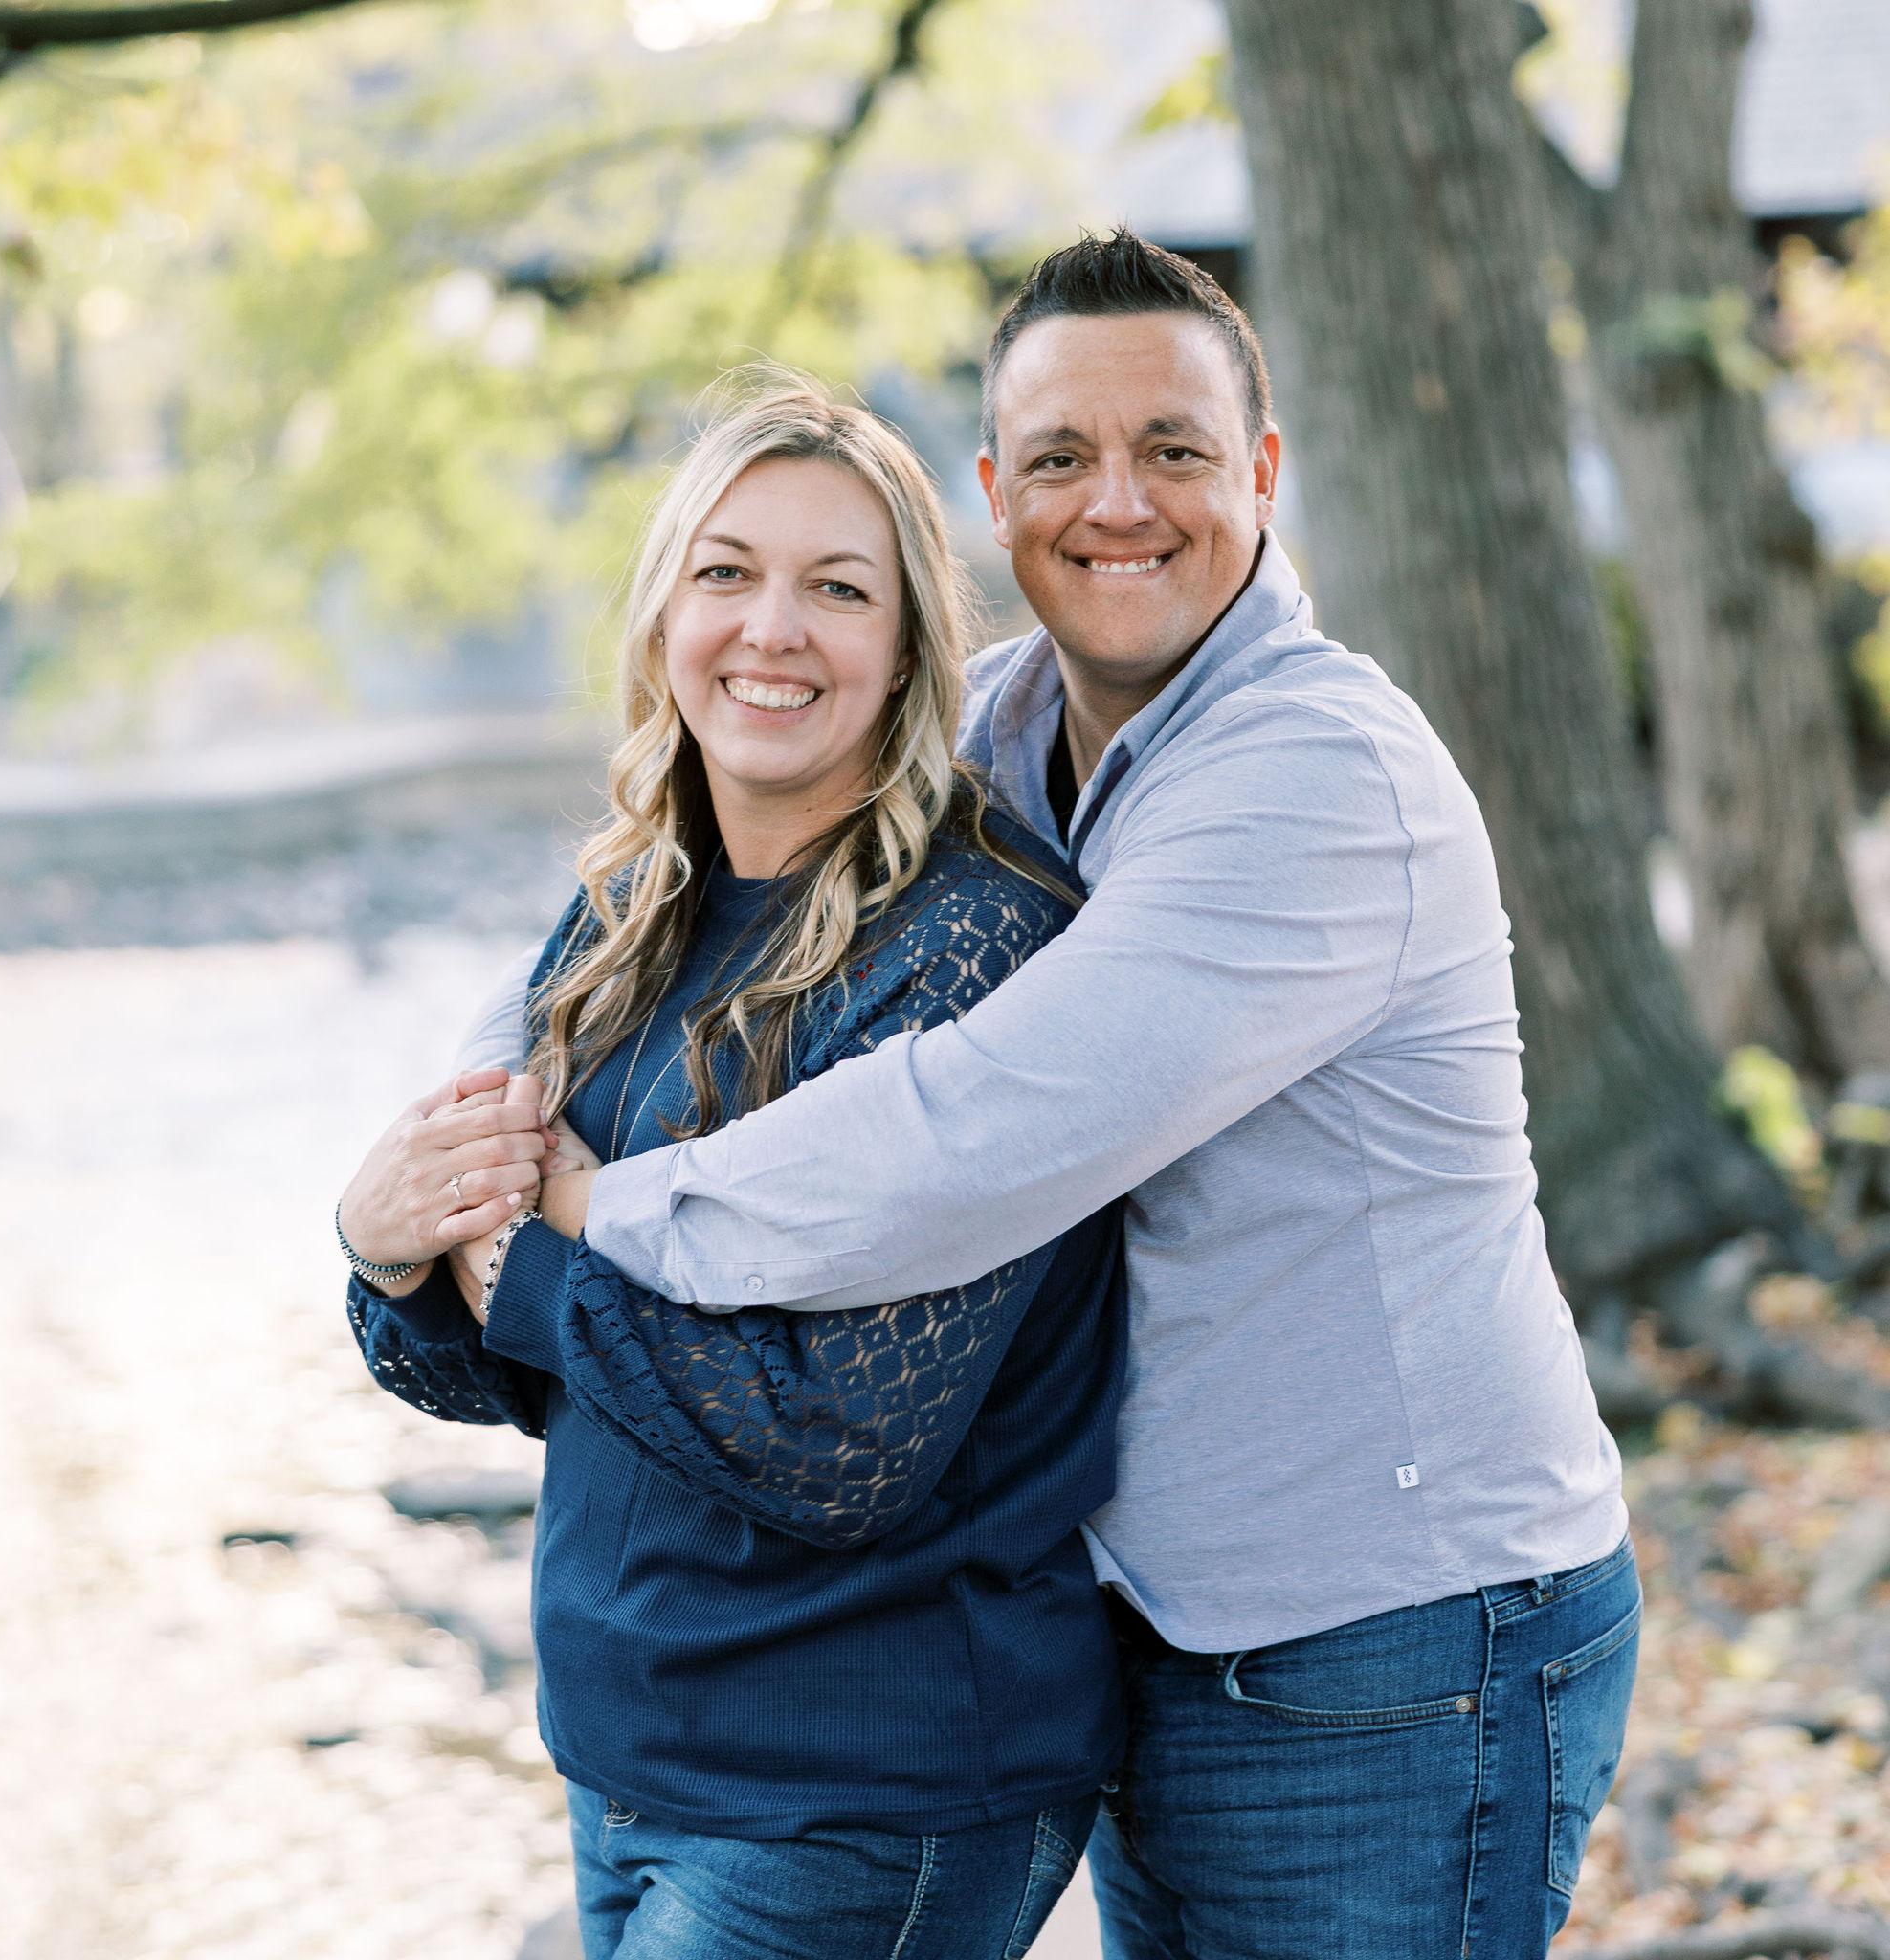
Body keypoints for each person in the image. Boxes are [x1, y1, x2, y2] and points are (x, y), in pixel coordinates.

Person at [422, 231, 1643, 1956]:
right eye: (1062, 457)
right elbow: (633, 907)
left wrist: (573, 1209)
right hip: (1153, 1614)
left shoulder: (1317, 777)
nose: (1116, 503)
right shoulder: (1001, 726)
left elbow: (965, 1134)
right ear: (997, 495)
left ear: (1264, 473)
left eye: (1174, 451)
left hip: (1400, 1629)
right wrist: (463, 1125)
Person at [334, 372, 1128, 1960]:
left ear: (909, 647)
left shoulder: (975, 946)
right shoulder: (629, 910)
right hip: (625, 1765)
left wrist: (522, 1260)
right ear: (663, 615)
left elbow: (837, 1442)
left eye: (837, 588)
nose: (773, 628)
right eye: (727, 571)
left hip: (866, 1794)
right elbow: (490, 1369)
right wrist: (379, 1241)